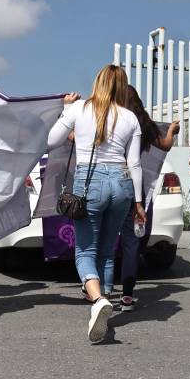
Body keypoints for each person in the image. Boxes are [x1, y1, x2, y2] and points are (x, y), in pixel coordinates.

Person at [47, 65, 144, 343]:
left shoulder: (79, 108)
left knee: (85, 251)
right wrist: (138, 202)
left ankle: (98, 299)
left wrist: (66, 110)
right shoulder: (130, 117)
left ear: (97, 83)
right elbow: (135, 163)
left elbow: (52, 140)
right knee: (107, 249)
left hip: (91, 183)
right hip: (122, 184)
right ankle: (104, 302)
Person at [113, 84, 179, 311]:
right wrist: (171, 129)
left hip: (108, 182)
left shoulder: (107, 120)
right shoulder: (143, 124)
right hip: (134, 187)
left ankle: (99, 291)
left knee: (104, 238)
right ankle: (128, 296)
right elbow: (166, 145)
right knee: (132, 242)